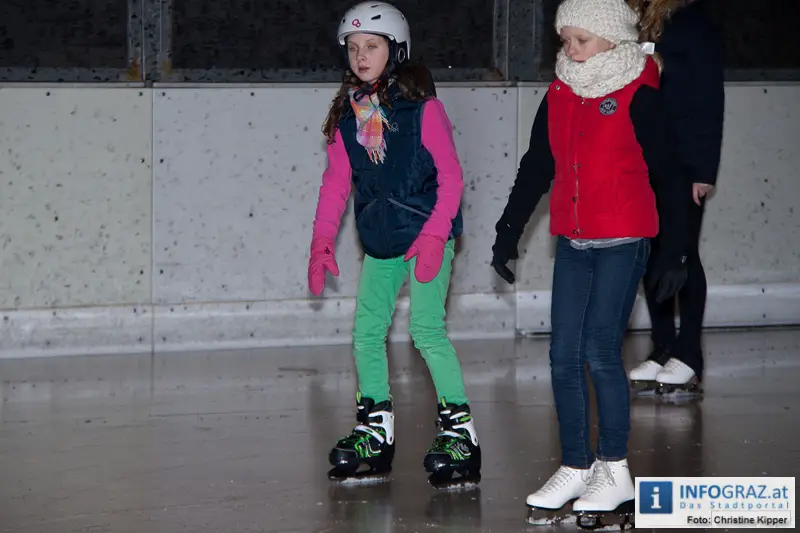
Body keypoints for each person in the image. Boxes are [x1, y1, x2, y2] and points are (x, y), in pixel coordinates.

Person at [490, 0, 689, 526]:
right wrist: (507, 232)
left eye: (581, 40)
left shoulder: (637, 93)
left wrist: (675, 252)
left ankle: (615, 468)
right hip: (574, 243)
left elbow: (670, 175)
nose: (571, 50)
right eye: (565, 41)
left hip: (624, 240)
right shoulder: (560, 93)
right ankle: (577, 464)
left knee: (601, 351)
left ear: (613, 40)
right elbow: (537, 164)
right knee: (562, 355)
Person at [307, 1, 480, 489]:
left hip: (426, 237)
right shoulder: (349, 116)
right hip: (380, 242)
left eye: (373, 47)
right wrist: (321, 240)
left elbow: (451, 177)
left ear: (396, 51)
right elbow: (336, 183)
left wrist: (434, 234)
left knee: (426, 332)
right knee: (365, 334)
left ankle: (460, 430)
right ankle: (375, 430)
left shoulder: (424, 110)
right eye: (354, 48)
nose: (361, 56)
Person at [625, 0, 725, 394]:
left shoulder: (694, 18)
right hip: (645, 158)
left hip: (684, 159)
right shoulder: (637, 19)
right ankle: (663, 346)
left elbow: (709, 96)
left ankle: (689, 354)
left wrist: (704, 169)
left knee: (682, 254)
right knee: (651, 253)